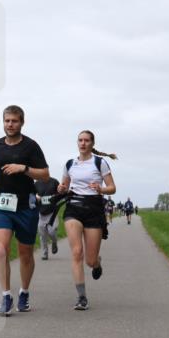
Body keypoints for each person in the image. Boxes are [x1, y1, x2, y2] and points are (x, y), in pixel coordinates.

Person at [0, 106, 50, 315]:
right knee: (1, 249)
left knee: (25, 253)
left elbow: (45, 175)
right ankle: (5, 296)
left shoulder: (31, 146)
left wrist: (24, 168)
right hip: (1, 205)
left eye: (14, 121)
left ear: (22, 122)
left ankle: (24, 292)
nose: (10, 124)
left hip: (25, 206)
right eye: (6, 121)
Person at [57, 130, 117, 311]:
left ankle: (97, 262)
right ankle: (82, 297)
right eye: (80, 140)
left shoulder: (100, 163)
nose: (83, 143)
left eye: (86, 140)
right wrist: (61, 188)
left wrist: (101, 189)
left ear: (92, 144)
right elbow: (64, 187)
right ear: (77, 143)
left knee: (89, 261)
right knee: (76, 252)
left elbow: (112, 188)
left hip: (93, 209)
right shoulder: (70, 164)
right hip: (73, 208)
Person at [34, 176, 62, 261]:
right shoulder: (36, 184)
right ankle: (44, 254)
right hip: (41, 213)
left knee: (52, 231)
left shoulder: (54, 182)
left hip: (52, 212)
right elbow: (32, 194)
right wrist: (36, 197)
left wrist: (55, 197)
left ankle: (54, 242)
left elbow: (60, 192)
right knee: (42, 235)